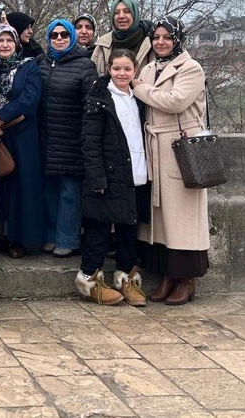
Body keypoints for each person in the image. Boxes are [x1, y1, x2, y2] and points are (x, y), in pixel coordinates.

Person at [133, 17, 210, 306]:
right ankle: (167, 273)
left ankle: (186, 279)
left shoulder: (191, 67)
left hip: (180, 148)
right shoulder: (151, 67)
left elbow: (175, 101)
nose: (161, 42)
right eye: (157, 37)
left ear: (178, 39)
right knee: (161, 216)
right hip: (154, 147)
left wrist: (140, 88)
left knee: (183, 216)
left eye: (167, 37)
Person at [77, 49, 148, 306]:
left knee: (129, 228)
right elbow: (90, 141)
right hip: (107, 175)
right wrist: (96, 177)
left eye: (127, 69)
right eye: (117, 68)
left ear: (135, 71)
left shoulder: (138, 97)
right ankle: (90, 279)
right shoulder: (99, 97)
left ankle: (126, 277)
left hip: (135, 172)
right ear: (109, 69)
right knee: (99, 229)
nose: (121, 73)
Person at [38, 19, 99, 257]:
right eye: (54, 35)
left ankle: (67, 238)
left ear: (72, 37)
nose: (59, 38)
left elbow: (90, 104)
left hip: (72, 138)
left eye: (64, 34)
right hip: (46, 136)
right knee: (49, 189)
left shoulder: (85, 65)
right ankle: (50, 236)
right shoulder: (41, 63)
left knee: (69, 192)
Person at [0, 24, 44, 259]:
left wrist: (0, 118)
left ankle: (18, 238)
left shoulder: (28, 67)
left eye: (9, 40)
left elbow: (30, 98)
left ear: (16, 44)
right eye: (0, 41)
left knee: (21, 186)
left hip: (21, 133)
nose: (5, 45)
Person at [92, 0, 154, 75]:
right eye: (116, 13)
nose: (121, 16)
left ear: (135, 14)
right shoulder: (103, 43)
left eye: (127, 11)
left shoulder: (150, 42)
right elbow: (91, 74)